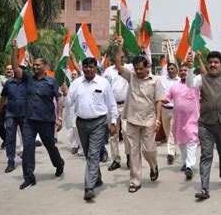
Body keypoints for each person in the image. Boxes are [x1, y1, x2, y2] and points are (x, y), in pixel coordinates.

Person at [11, 40, 65, 190]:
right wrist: (15, 50)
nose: (35, 66)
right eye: (33, 65)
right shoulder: (28, 79)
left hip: (46, 121)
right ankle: (29, 177)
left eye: (38, 65)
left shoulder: (51, 81)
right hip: (29, 120)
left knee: (50, 145)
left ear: (45, 67)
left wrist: (59, 118)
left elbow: (59, 99)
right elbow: (15, 67)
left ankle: (59, 163)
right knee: (28, 147)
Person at [62, 57, 118, 201]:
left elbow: (112, 104)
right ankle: (97, 178)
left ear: (95, 67)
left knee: (93, 153)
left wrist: (113, 122)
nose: (87, 69)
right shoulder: (76, 83)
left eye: (91, 67)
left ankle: (89, 187)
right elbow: (69, 103)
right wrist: (65, 94)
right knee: (88, 154)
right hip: (81, 123)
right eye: (85, 67)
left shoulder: (103, 83)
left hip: (98, 122)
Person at [186, 51, 221, 200]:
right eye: (211, 62)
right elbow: (190, 84)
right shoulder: (201, 78)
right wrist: (190, 68)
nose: (213, 64)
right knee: (206, 154)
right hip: (205, 124)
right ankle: (204, 188)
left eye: (216, 62)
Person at [115, 37, 164, 193]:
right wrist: (120, 46)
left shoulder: (156, 81)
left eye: (141, 69)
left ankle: (153, 165)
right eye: (136, 68)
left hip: (149, 120)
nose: (138, 71)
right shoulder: (132, 77)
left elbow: (159, 101)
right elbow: (118, 64)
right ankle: (135, 180)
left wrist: (157, 120)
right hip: (132, 119)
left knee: (148, 150)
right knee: (134, 151)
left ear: (147, 67)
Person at [165, 63, 200, 180]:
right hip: (178, 120)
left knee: (192, 141)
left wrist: (191, 67)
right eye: (182, 70)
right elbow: (166, 98)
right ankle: (185, 162)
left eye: (186, 70)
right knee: (181, 142)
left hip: (192, 119)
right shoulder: (174, 86)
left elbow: (193, 80)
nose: (183, 72)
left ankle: (189, 166)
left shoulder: (194, 85)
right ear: (179, 72)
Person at [0, 65, 26, 173]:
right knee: (10, 138)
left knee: (26, 137)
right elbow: (3, 98)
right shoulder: (9, 83)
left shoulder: (28, 83)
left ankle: (27, 156)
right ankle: (11, 162)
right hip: (10, 114)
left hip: (24, 115)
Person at [102, 56, 131, 170]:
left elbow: (147, 62)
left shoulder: (129, 68)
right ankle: (116, 159)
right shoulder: (108, 71)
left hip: (126, 106)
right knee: (113, 134)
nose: (121, 58)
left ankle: (129, 156)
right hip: (112, 106)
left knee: (126, 132)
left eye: (123, 57)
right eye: (120, 56)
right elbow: (104, 87)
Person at [159, 62, 181, 165]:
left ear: (176, 69)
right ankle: (172, 147)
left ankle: (170, 153)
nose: (170, 70)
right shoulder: (162, 79)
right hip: (164, 109)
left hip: (175, 110)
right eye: (169, 69)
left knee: (172, 131)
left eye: (172, 68)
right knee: (168, 132)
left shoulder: (181, 81)